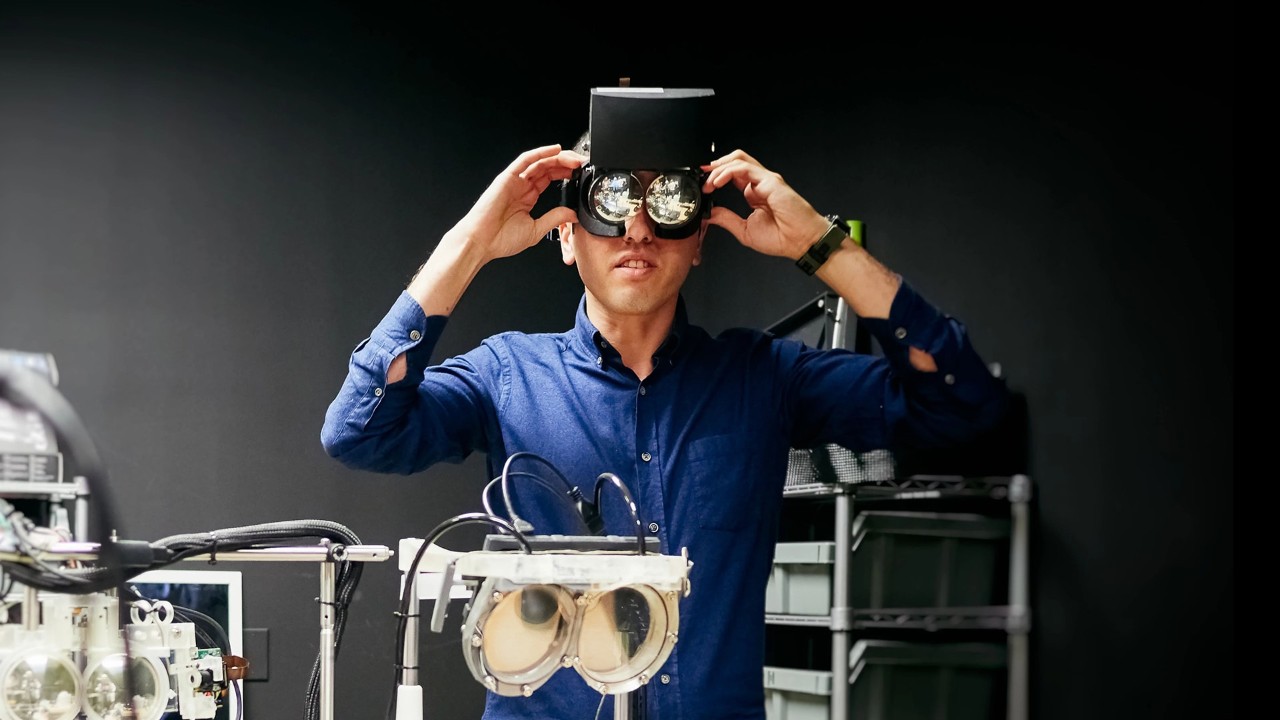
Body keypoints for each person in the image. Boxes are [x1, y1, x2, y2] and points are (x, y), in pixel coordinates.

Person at [321, 87, 1009, 720]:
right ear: (566, 233)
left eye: (669, 207)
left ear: (700, 237)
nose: (639, 230)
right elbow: (361, 431)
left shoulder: (763, 377)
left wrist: (819, 245)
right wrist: (470, 244)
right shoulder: (508, 376)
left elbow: (962, 407)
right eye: (612, 204)